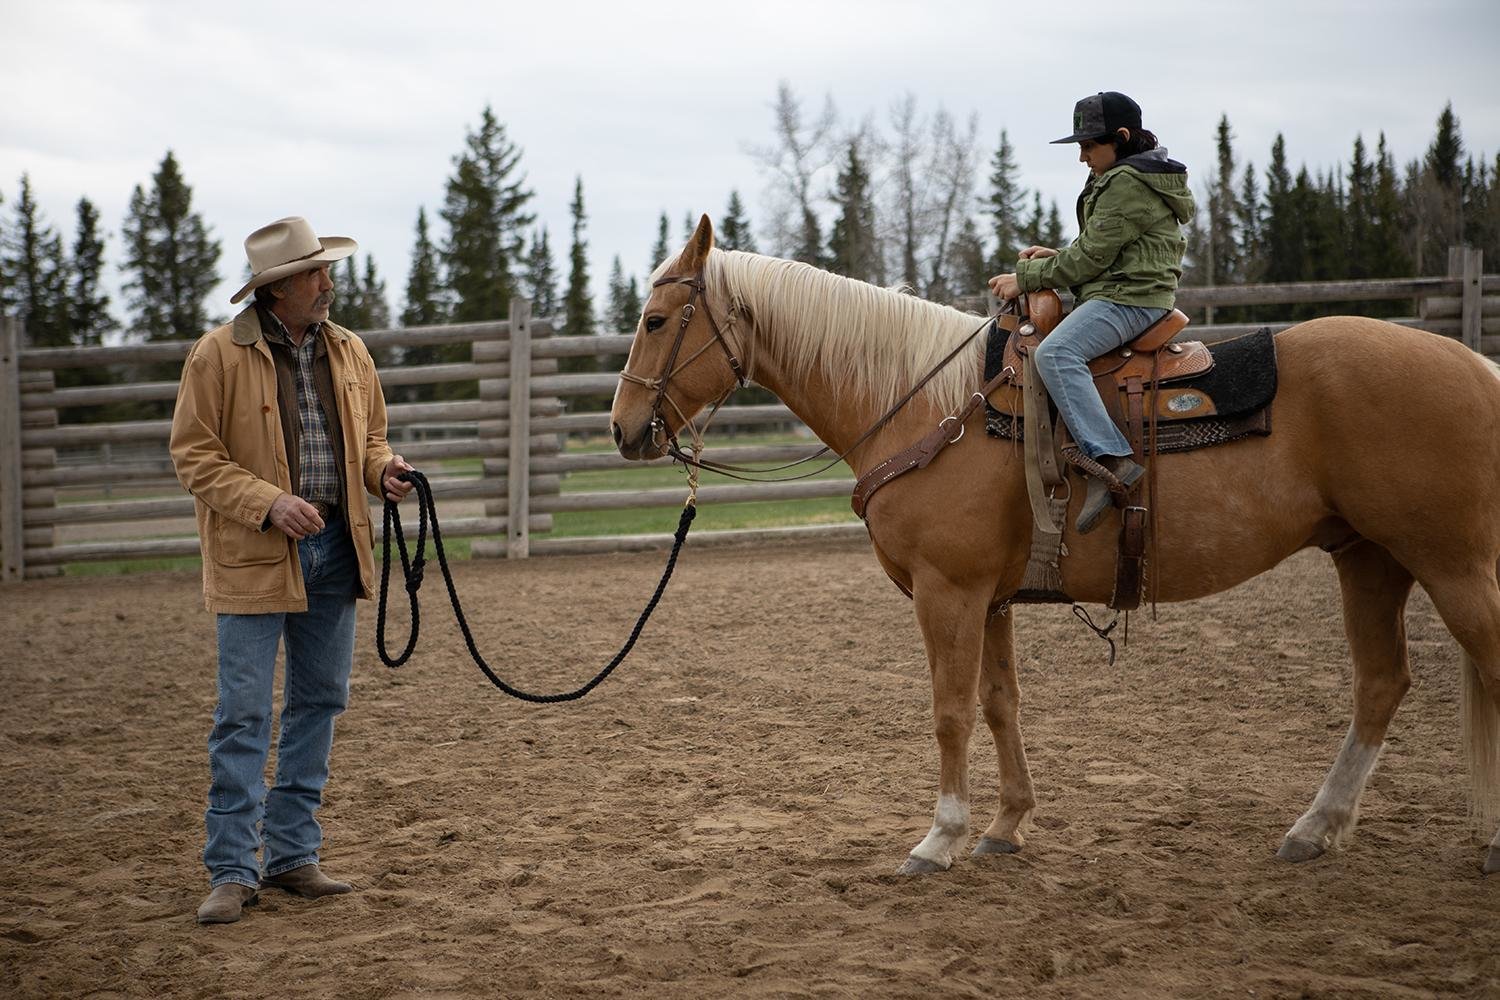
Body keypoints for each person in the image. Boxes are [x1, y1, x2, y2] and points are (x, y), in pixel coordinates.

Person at [170, 216, 415, 925]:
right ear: (278, 289)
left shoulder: (350, 352)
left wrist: (385, 472)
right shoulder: (214, 357)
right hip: (253, 555)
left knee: (318, 704)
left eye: (325, 270)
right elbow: (194, 455)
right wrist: (269, 502)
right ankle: (230, 869)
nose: (328, 283)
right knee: (243, 715)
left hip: (336, 549)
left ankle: (291, 856)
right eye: (315, 273)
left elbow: (368, 441)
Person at [989, 92, 1195, 533]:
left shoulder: (1126, 182)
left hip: (1129, 299)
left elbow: (1092, 260)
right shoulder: (1130, 177)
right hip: (1124, 289)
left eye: (1089, 146)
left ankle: (1110, 460)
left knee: (1056, 354)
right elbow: (1100, 251)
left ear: (1120, 138)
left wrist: (1025, 277)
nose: (1082, 157)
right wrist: (1056, 255)